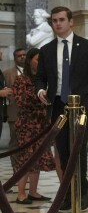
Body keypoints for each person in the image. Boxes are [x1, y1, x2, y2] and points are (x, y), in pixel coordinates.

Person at [36, 6, 88, 212]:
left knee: (77, 150)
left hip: (82, 106)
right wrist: (40, 91)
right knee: (62, 152)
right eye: (54, 21)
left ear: (71, 22)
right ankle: (68, 194)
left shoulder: (87, 47)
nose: (58, 24)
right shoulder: (46, 50)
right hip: (58, 106)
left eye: (62, 20)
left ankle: (82, 193)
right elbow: (40, 78)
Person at [13, 48, 56, 204]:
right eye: (37, 59)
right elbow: (21, 101)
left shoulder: (46, 79)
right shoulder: (22, 79)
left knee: (37, 158)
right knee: (26, 158)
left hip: (41, 124)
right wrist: (40, 94)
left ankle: (33, 191)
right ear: (30, 60)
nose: (40, 63)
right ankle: (21, 193)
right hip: (27, 124)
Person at [3, 48, 26, 171]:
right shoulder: (7, 73)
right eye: (19, 56)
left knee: (29, 142)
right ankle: (16, 170)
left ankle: (28, 170)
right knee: (15, 141)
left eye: (24, 55)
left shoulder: (34, 72)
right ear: (15, 58)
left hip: (30, 114)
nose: (22, 57)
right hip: (14, 112)